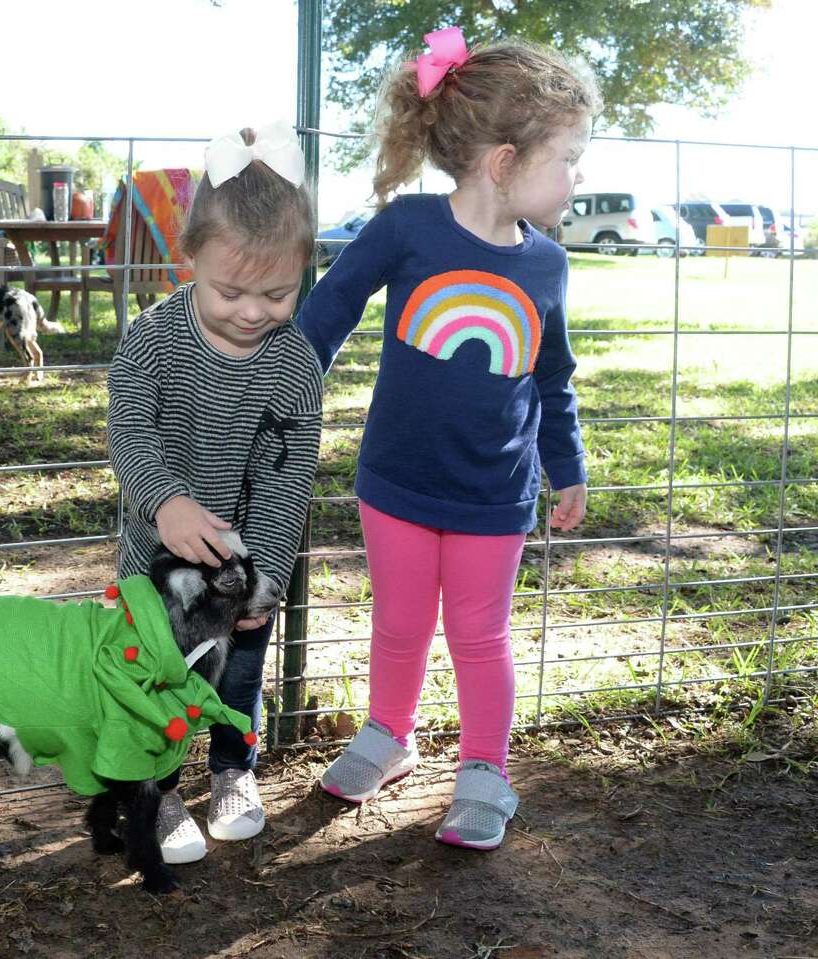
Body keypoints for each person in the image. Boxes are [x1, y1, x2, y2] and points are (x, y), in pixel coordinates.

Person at [297, 27, 600, 850]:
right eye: (569, 158)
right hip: (395, 480)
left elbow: (552, 376)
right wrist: (286, 386)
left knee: (478, 632)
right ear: (505, 161)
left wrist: (566, 465)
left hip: (492, 495)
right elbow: (330, 308)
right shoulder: (409, 228)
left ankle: (485, 770)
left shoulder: (547, 266)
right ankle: (388, 734)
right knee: (399, 621)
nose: (579, 176)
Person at [107, 121, 324, 863]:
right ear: (190, 257)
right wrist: (165, 501)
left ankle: (233, 769)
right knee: (157, 673)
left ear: (303, 270)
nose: (253, 310)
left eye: (278, 292)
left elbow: (286, 482)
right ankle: (158, 787)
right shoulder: (151, 339)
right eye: (230, 290)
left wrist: (261, 578)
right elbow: (129, 430)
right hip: (155, 562)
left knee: (239, 670)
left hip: (243, 566)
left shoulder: (295, 366)